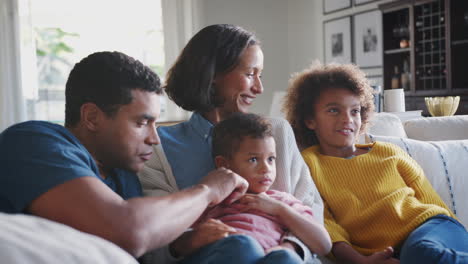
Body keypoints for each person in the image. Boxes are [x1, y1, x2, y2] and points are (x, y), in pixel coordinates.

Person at [0, 51, 251, 261]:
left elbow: (127, 247)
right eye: (143, 123)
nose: (155, 138)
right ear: (92, 117)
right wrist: (207, 190)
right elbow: (128, 230)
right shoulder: (33, 142)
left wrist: (181, 244)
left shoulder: (121, 171)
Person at [138, 24, 324, 263]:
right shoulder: (157, 146)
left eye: (260, 75)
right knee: (241, 248)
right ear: (213, 74)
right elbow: (151, 238)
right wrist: (189, 240)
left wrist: (289, 248)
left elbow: (312, 213)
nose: (259, 87)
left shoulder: (276, 132)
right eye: (250, 74)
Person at [283, 62, 468, 264]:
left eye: (354, 111)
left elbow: (431, 200)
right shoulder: (309, 164)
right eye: (334, 111)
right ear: (310, 120)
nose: (348, 119)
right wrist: (360, 261)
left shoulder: (388, 152)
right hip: (399, 252)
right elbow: (325, 223)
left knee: (421, 251)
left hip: (433, 227)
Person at [194, 112, 331, 262]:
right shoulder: (213, 200)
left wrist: (280, 209)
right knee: (243, 246)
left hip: (270, 258)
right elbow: (182, 240)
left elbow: (324, 245)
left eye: (271, 159)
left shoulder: (282, 201)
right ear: (223, 164)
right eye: (253, 159)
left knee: (287, 258)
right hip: (226, 252)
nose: (266, 169)